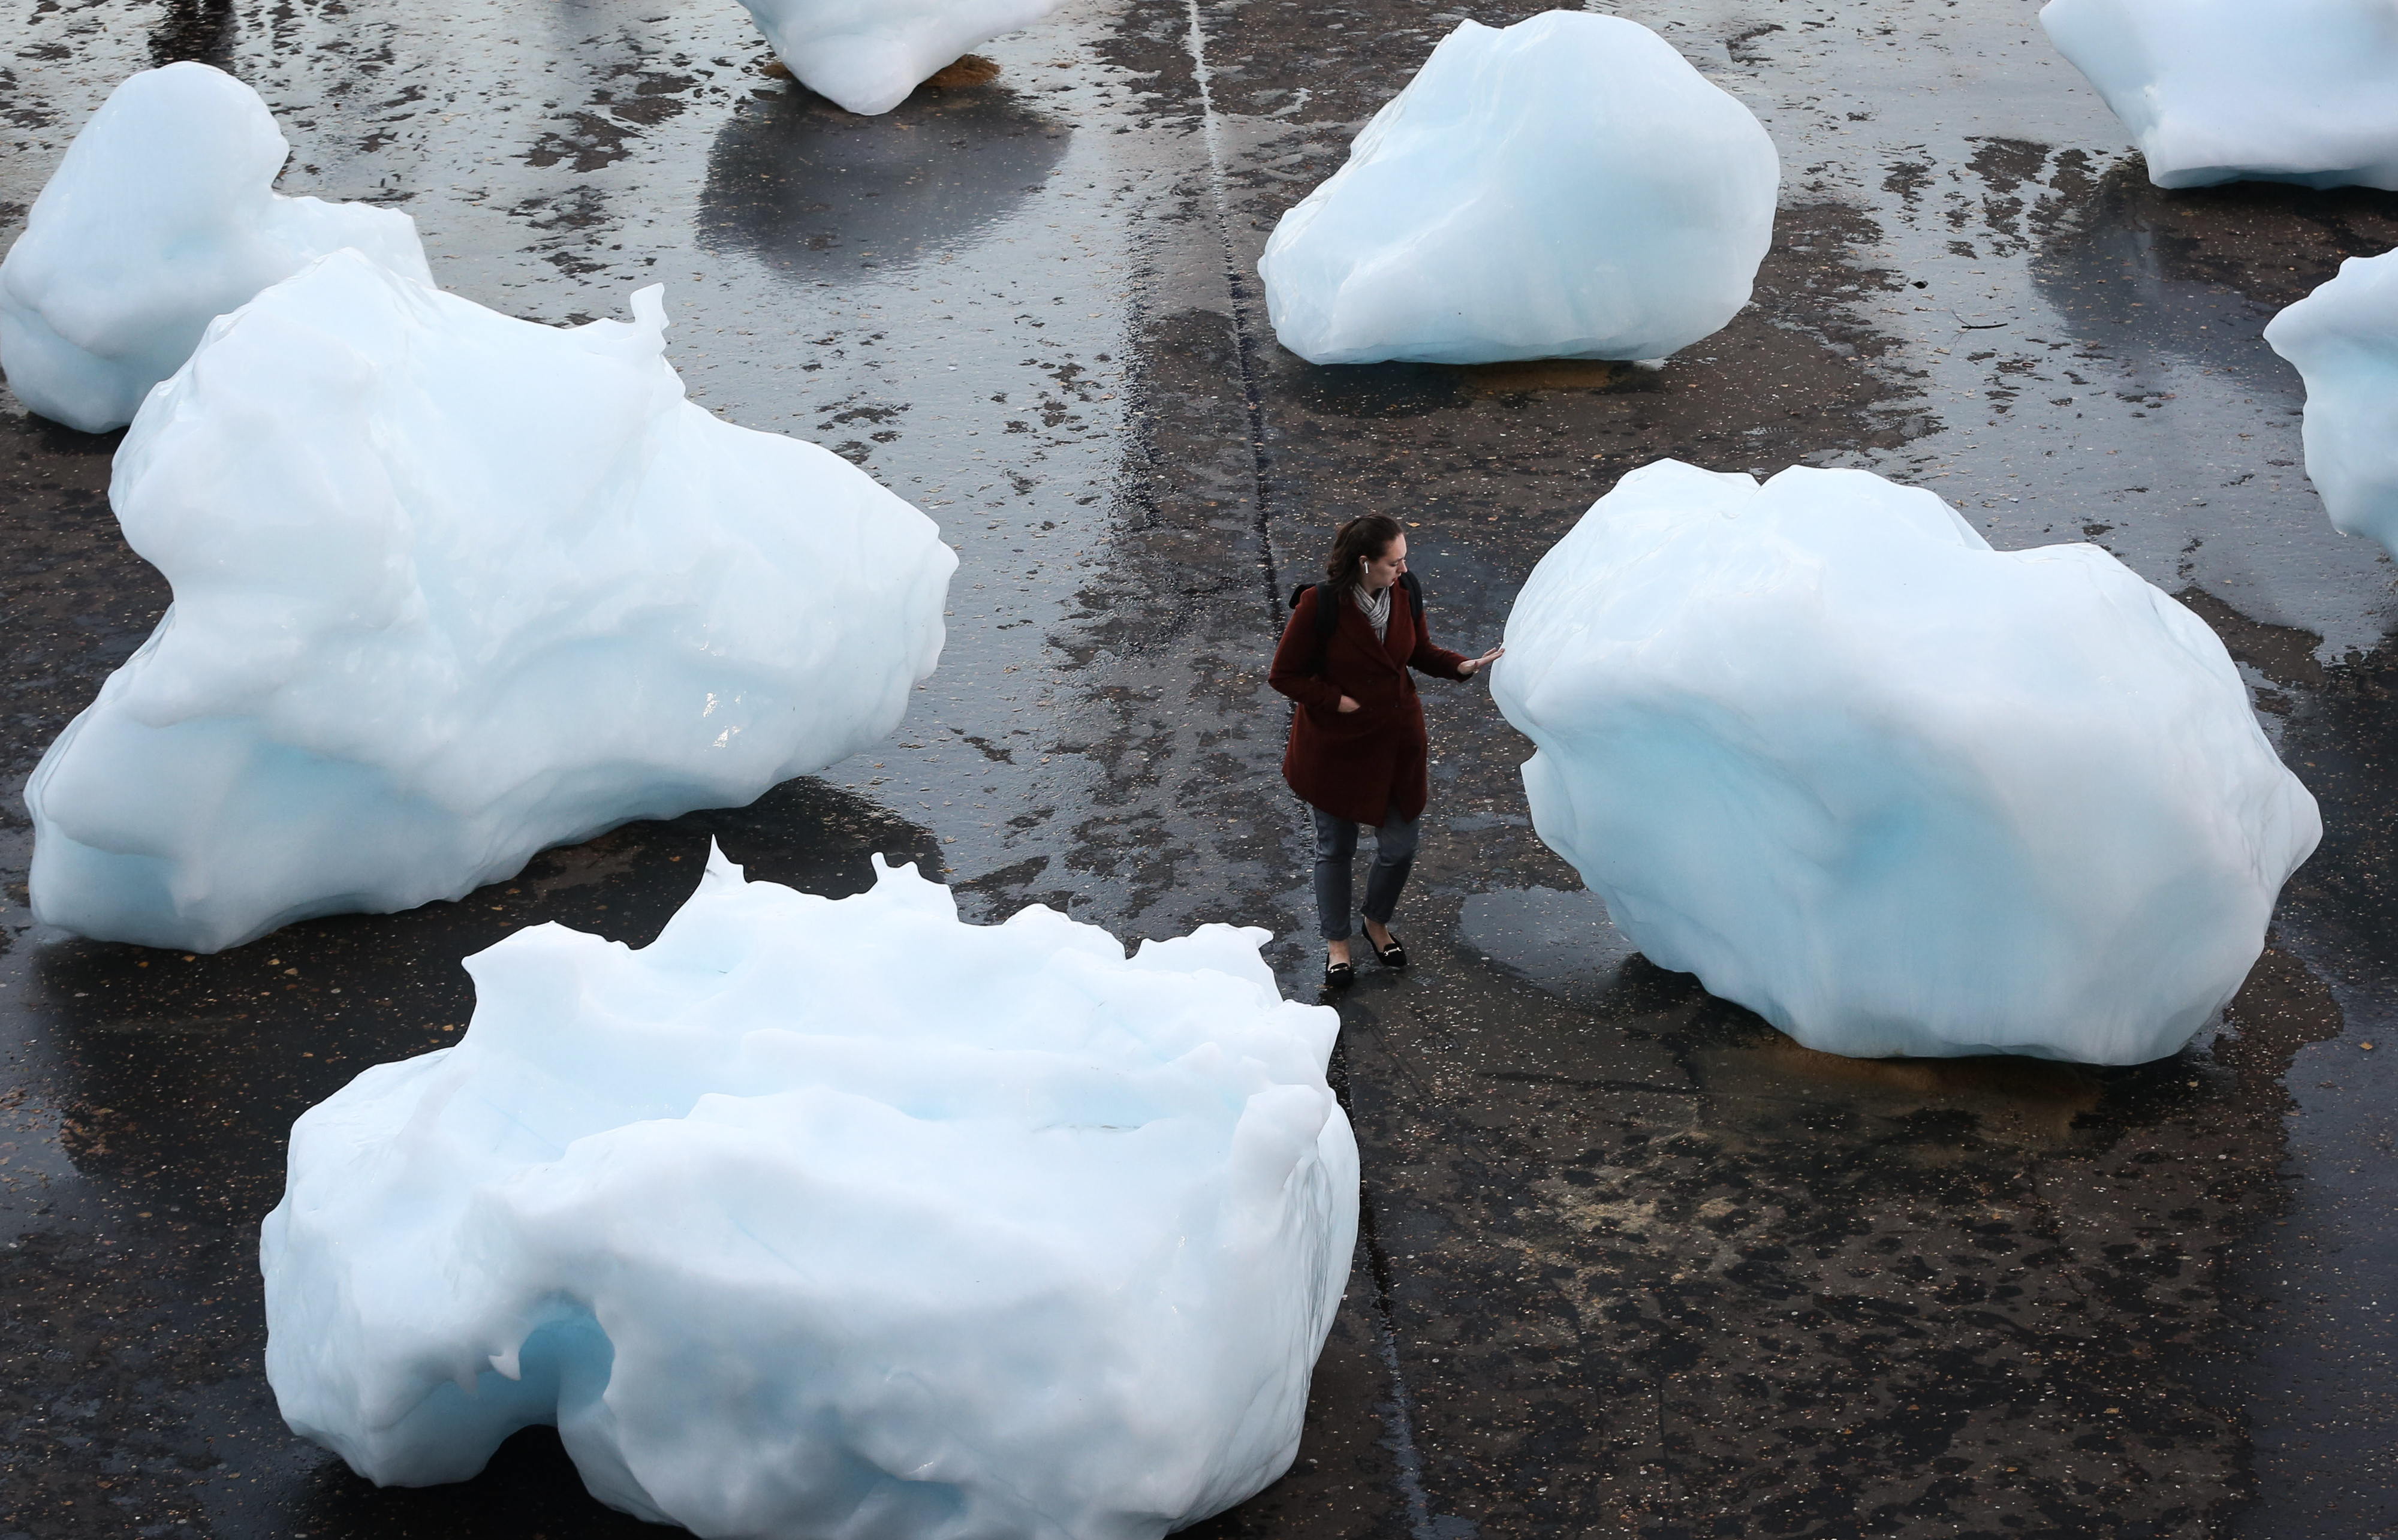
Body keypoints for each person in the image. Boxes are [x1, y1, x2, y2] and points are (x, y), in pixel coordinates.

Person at [1269, 514, 1504, 991]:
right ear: (1365, 562)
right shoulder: (1320, 605)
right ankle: (1338, 944)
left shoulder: (1405, 589)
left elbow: (1417, 649)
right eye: (1394, 561)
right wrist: (1334, 699)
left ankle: (1376, 922)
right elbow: (1284, 674)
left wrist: (1462, 665)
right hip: (1336, 746)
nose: (1403, 568)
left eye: (1404, 559)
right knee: (1336, 848)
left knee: (1400, 848)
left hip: (1396, 741)